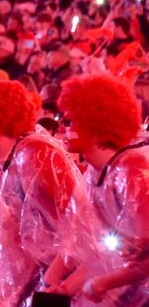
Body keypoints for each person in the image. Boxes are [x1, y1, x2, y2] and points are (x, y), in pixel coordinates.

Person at [0, 80, 90, 306]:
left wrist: (50, 283)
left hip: (62, 284)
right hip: (37, 281)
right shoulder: (6, 161)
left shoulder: (34, 154)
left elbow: (77, 226)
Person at [55, 75, 148, 305]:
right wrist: (67, 287)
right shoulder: (95, 174)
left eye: (68, 121)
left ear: (94, 121)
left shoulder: (131, 169)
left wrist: (101, 283)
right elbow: (114, 254)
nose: (61, 128)